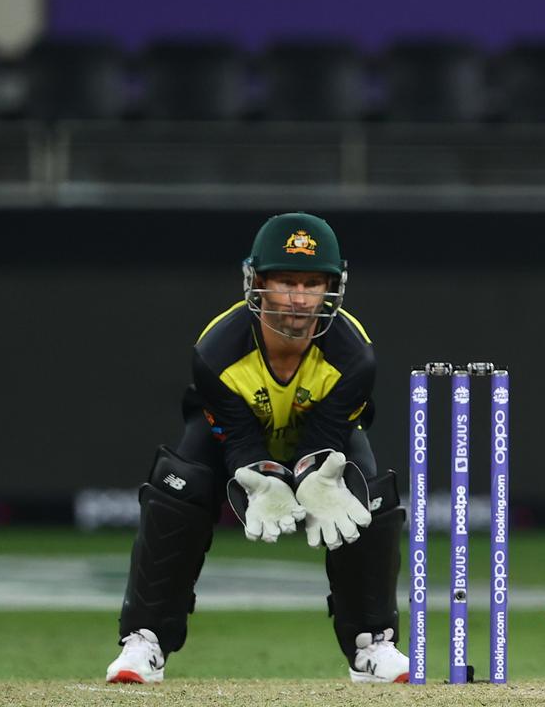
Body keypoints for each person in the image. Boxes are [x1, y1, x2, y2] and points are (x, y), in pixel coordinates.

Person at [104, 212, 409, 684]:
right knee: (178, 485)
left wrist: (312, 477)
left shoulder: (354, 358)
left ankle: (374, 645)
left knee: (367, 494)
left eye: (312, 283)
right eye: (286, 281)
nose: (299, 298)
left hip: (319, 440)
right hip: (239, 440)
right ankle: (145, 640)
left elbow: (326, 438)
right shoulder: (215, 352)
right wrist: (259, 475)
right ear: (257, 283)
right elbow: (238, 438)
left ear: (333, 287)